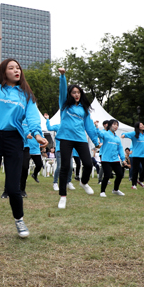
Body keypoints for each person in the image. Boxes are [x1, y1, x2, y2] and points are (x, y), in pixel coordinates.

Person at [0, 35, 47, 243]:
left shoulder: (26, 95)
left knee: (14, 187)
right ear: (4, 71)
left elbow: (33, 118)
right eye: (12, 67)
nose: (17, 70)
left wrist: (38, 134)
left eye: (19, 68)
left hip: (15, 140)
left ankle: (19, 220)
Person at [54, 68, 101, 209]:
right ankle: (63, 196)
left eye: (78, 92)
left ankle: (84, 182)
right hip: (65, 138)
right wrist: (63, 76)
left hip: (80, 139)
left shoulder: (84, 109)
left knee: (88, 164)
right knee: (65, 167)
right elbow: (62, 90)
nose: (76, 94)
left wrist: (96, 141)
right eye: (73, 92)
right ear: (69, 94)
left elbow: (90, 127)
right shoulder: (64, 105)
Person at [97, 119, 128, 197]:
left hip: (115, 159)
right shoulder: (105, 133)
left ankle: (115, 190)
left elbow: (120, 149)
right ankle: (102, 192)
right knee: (107, 175)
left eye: (117, 125)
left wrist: (123, 159)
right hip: (106, 159)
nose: (116, 126)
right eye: (114, 124)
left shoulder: (117, 138)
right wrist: (96, 126)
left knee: (120, 174)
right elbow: (98, 133)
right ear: (110, 125)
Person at [44, 114, 75, 191]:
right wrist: (47, 119)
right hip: (59, 150)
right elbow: (49, 128)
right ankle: (55, 183)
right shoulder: (58, 126)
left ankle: (69, 182)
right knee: (60, 167)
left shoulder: (70, 128)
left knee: (70, 167)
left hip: (69, 150)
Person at [121, 122, 144, 189]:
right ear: (137, 126)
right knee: (135, 170)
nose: (142, 126)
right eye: (141, 125)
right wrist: (123, 135)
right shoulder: (134, 134)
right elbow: (124, 134)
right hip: (136, 155)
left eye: (143, 124)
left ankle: (140, 180)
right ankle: (134, 184)